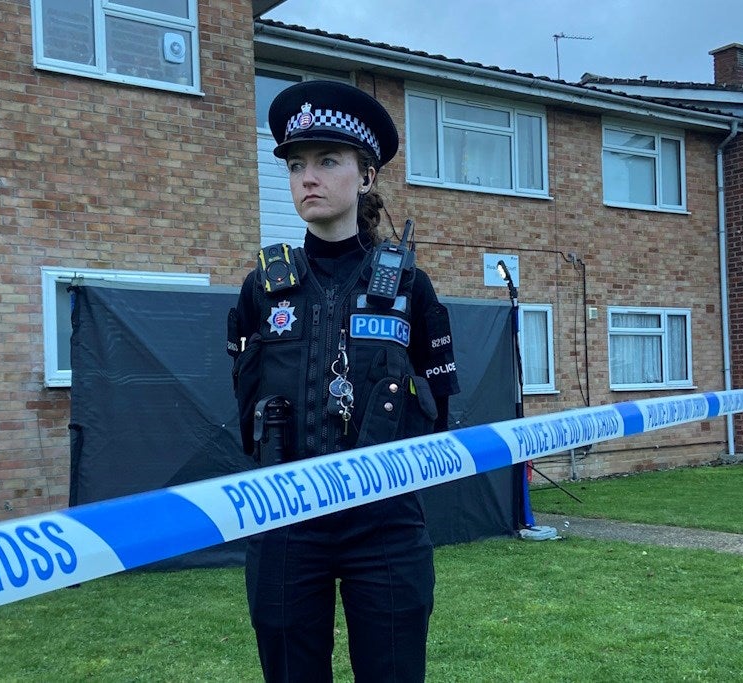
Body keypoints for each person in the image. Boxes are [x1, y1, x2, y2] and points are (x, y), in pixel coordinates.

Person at [226, 80, 460, 682]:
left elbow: (443, 411)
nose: (309, 177)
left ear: (366, 175)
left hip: (384, 524)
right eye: (298, 164)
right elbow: (246, 400)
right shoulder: (262, 289)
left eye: (328, 161)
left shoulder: (410, 288)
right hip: (286, 522)